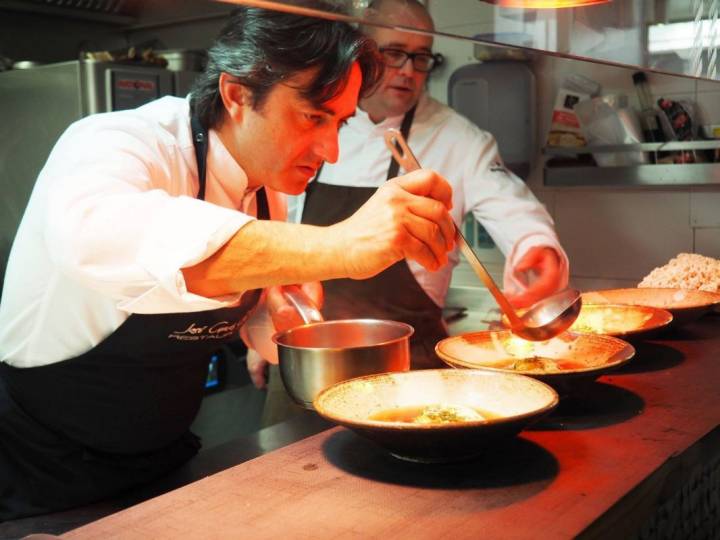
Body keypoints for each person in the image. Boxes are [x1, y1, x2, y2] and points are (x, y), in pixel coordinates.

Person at [0, 2, 457, 520]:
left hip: (163, 465)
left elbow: (239, 305)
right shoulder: (114, 141)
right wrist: (342, 247)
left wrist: (281, 318)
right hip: (42, 476)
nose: (330, 150)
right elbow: (106, 240)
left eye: (340, 123)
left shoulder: (262, 190)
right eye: (313, 117)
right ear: (237, 93)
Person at [247, 0, 569, 415]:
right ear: (360, 50)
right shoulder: (305, 127)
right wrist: (262, 331)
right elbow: (277, 233)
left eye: (421, 57)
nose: (408, 71)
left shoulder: (459, 138)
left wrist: (536, 246)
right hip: (306, 361)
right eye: (394, 53)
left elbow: (515, 207)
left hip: (410, 372)